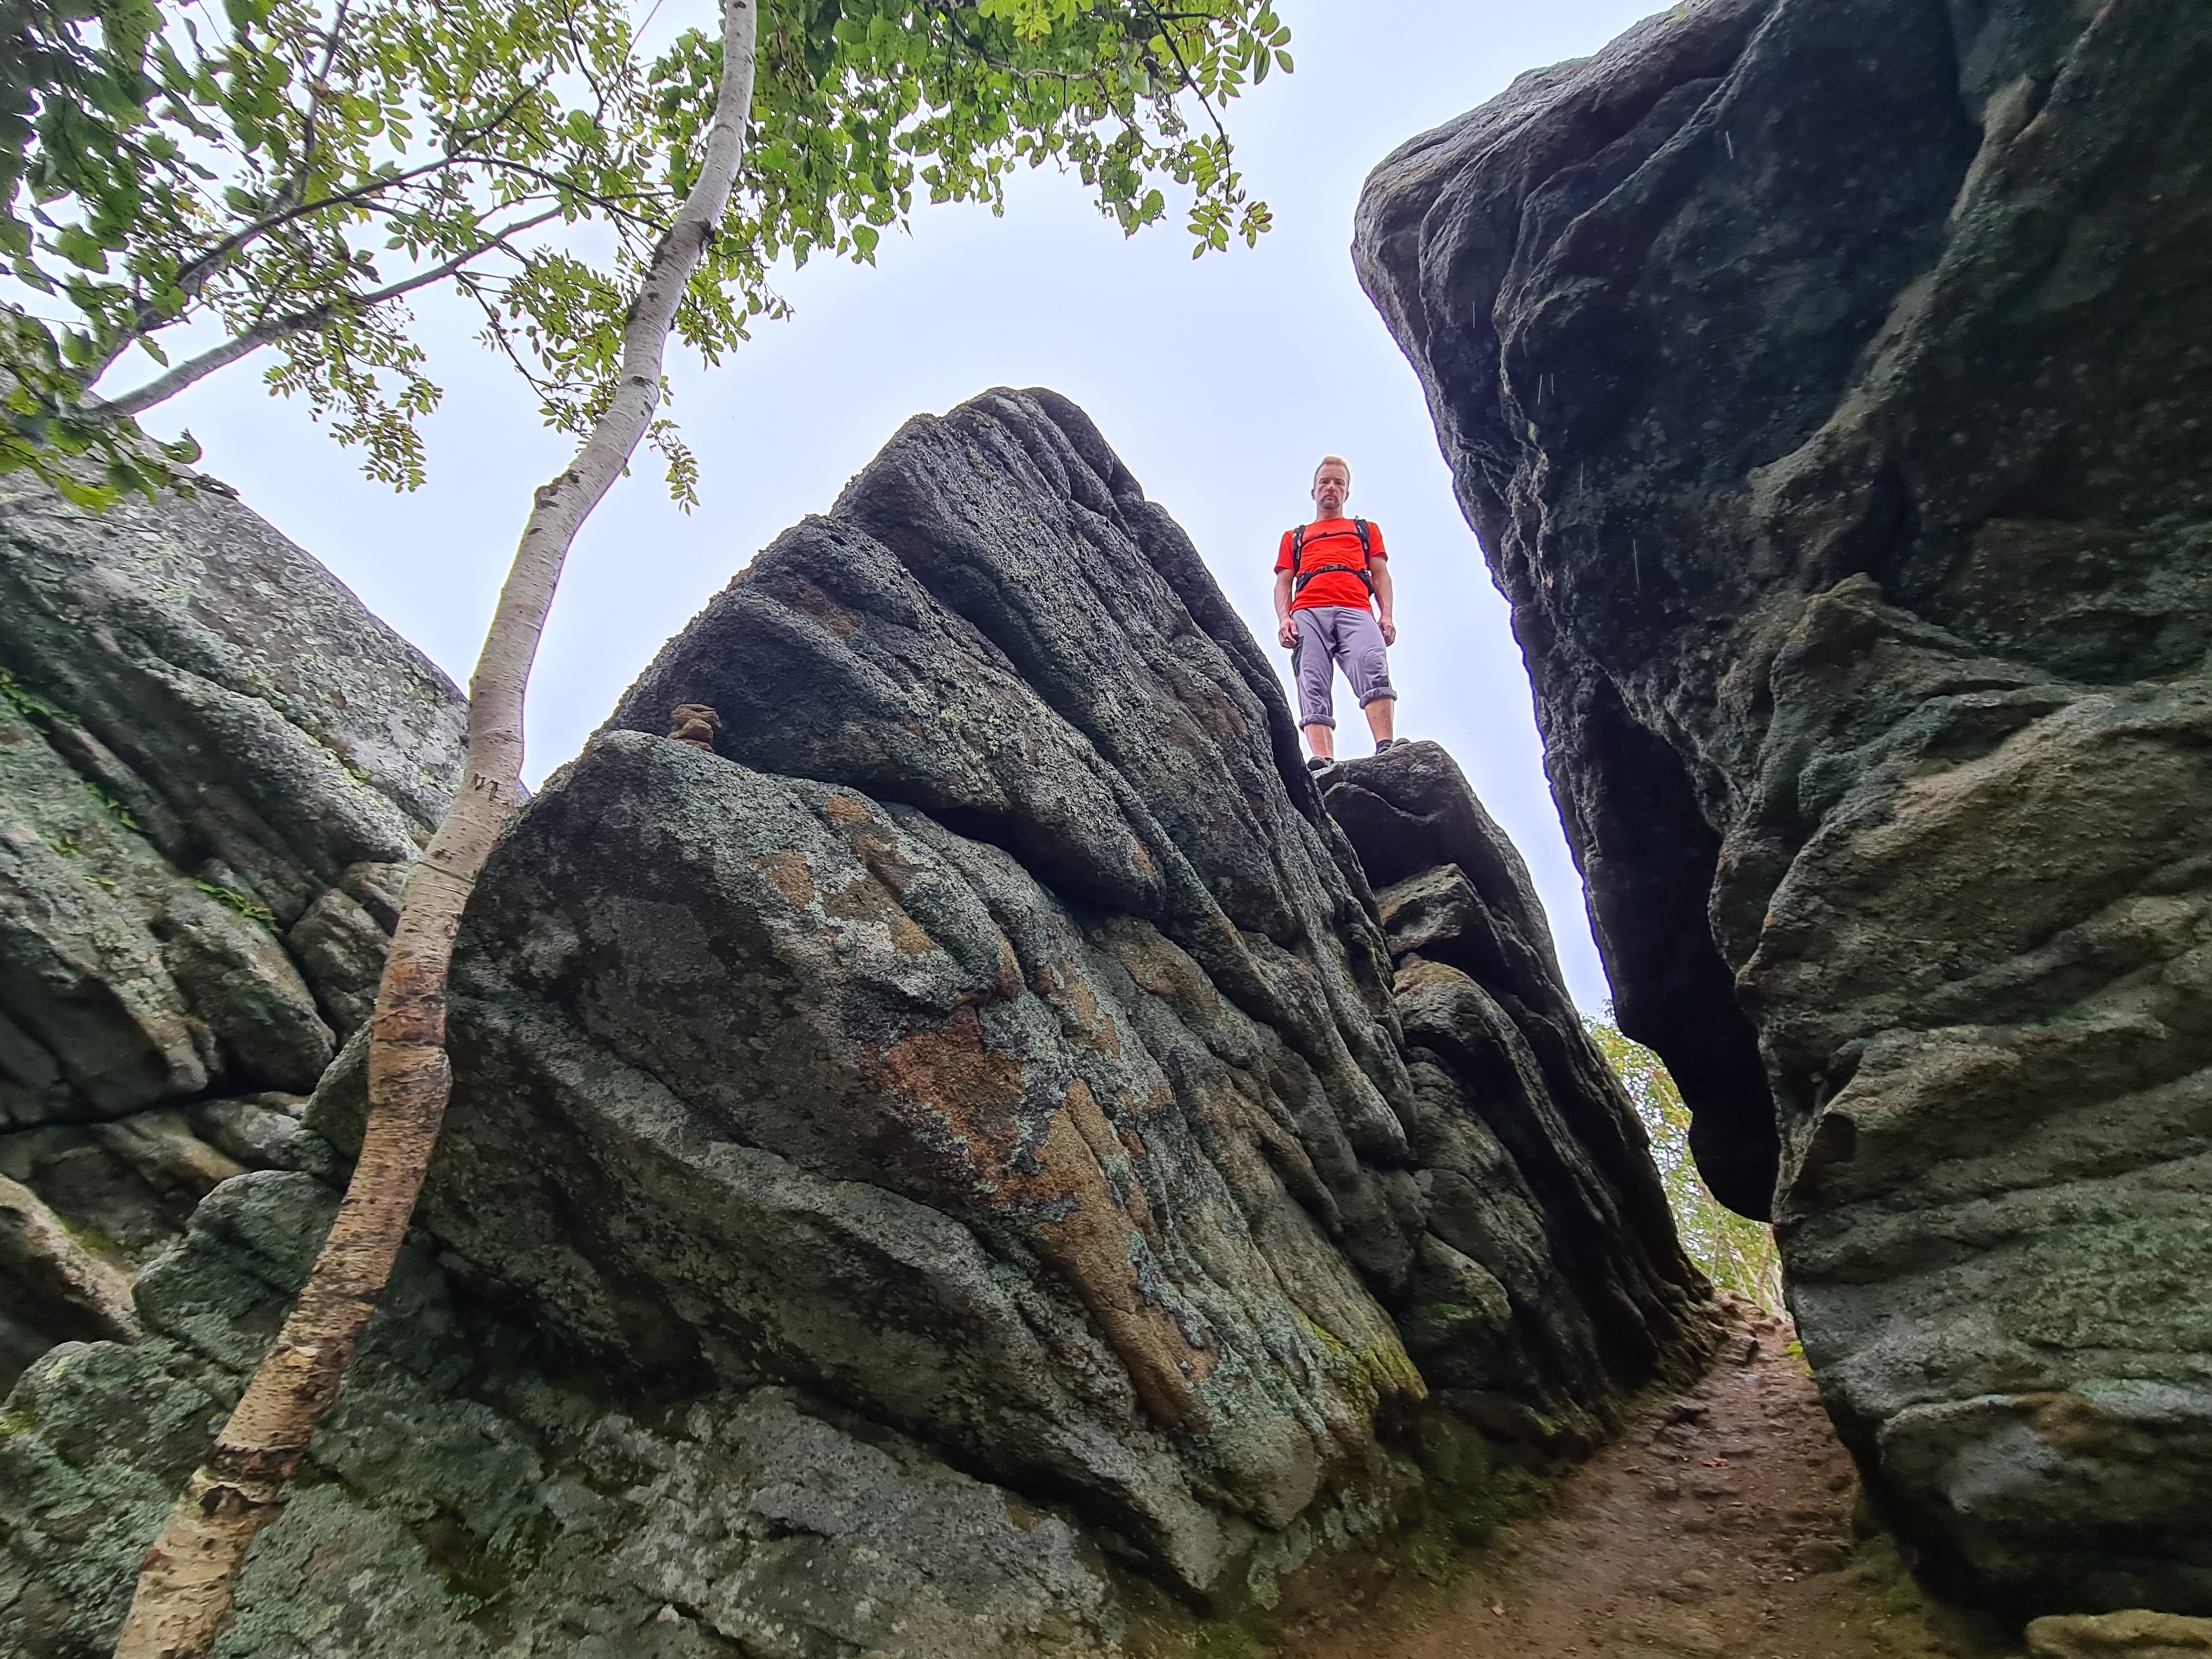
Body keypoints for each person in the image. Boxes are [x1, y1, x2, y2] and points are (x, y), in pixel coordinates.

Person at [1273, 455, 1400, 770]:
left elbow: (1380, 573)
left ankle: (1386, 746)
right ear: (1314, 491)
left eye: (1338, 483)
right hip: (1308, 611)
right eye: (1325, 482)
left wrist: (1386, 615)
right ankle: (1324, 761)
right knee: (1311, 678)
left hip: (1356, 606)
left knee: (1372, 663)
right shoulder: (1295, 537)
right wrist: (1285, 619)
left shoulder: (1365, 530)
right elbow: (1283, 582)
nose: (1331, 487)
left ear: (1347, 492)